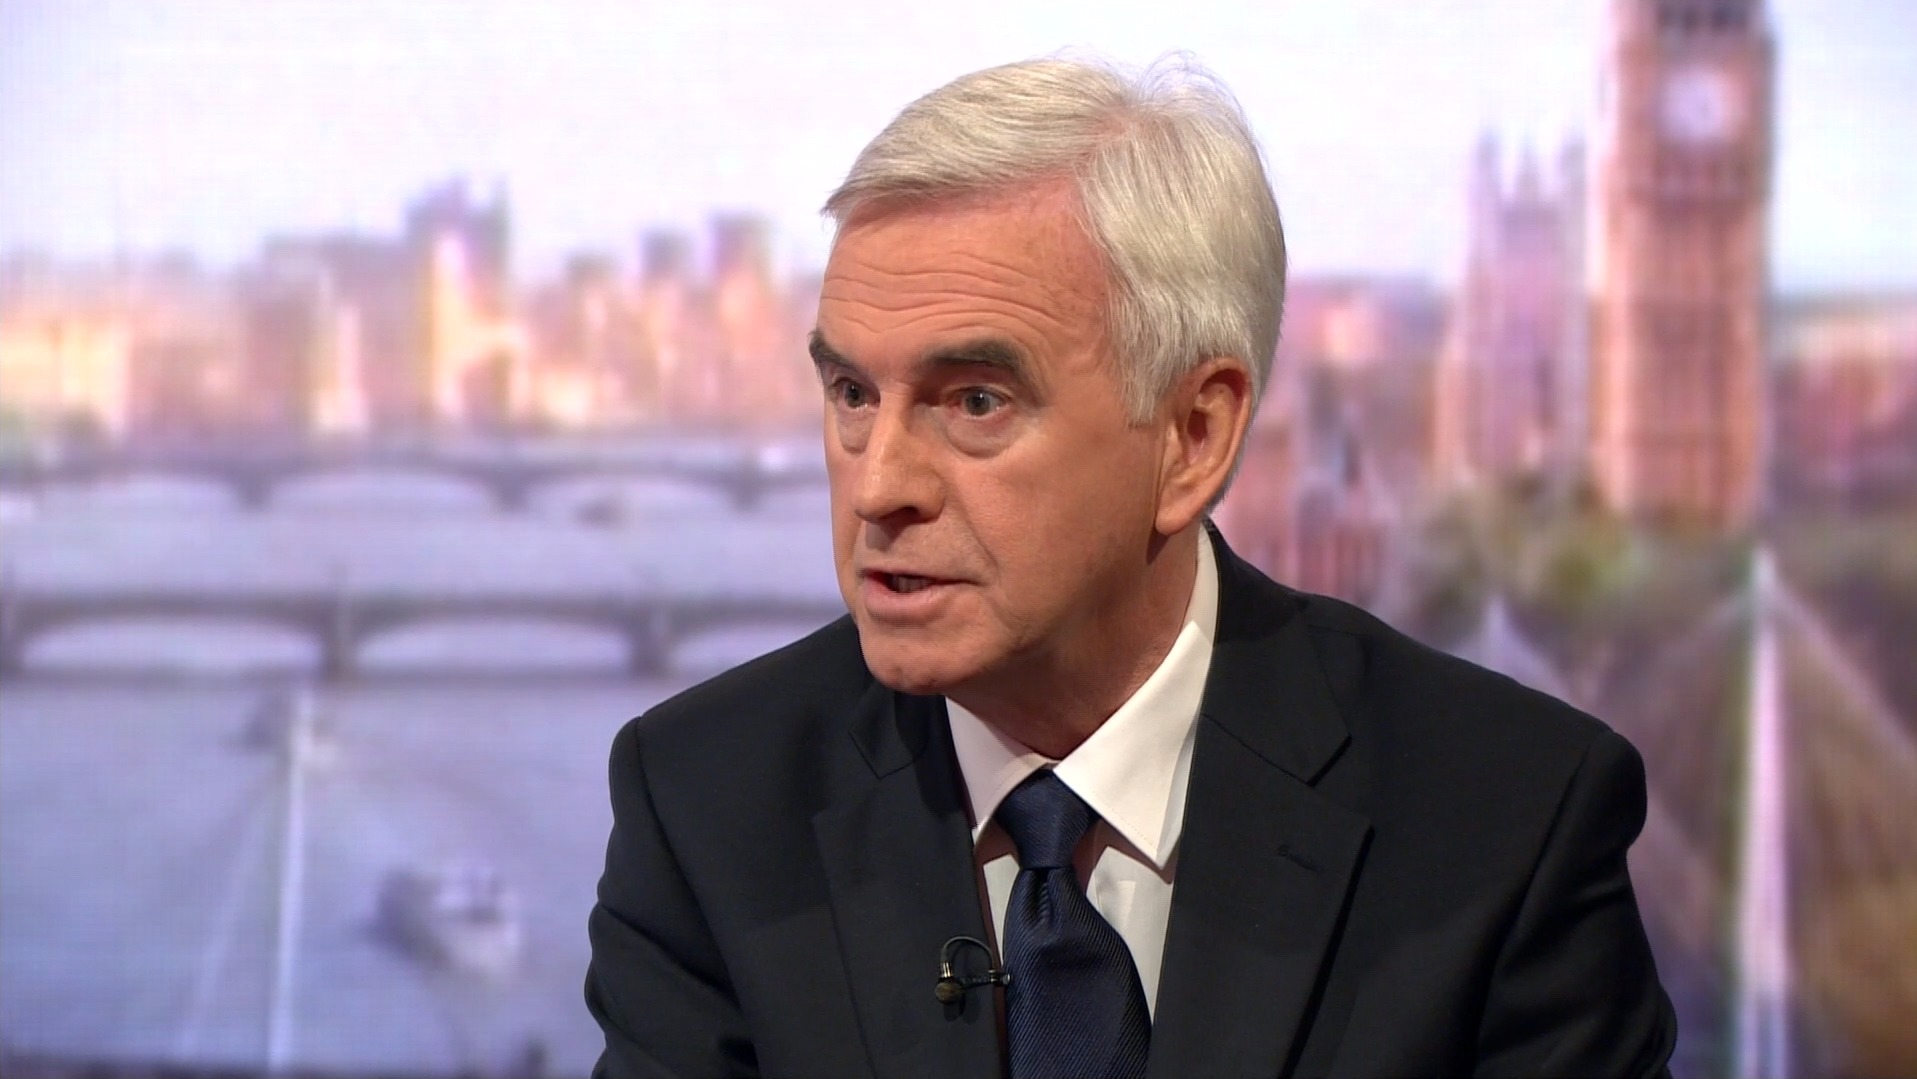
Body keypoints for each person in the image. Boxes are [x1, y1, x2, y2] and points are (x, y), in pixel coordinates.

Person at [586, 54, 1677, 1078]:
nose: (878, 487)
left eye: (975, 401)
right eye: (852, 395)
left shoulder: (1509, 824)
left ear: (1193, 438)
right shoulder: (705, 805)